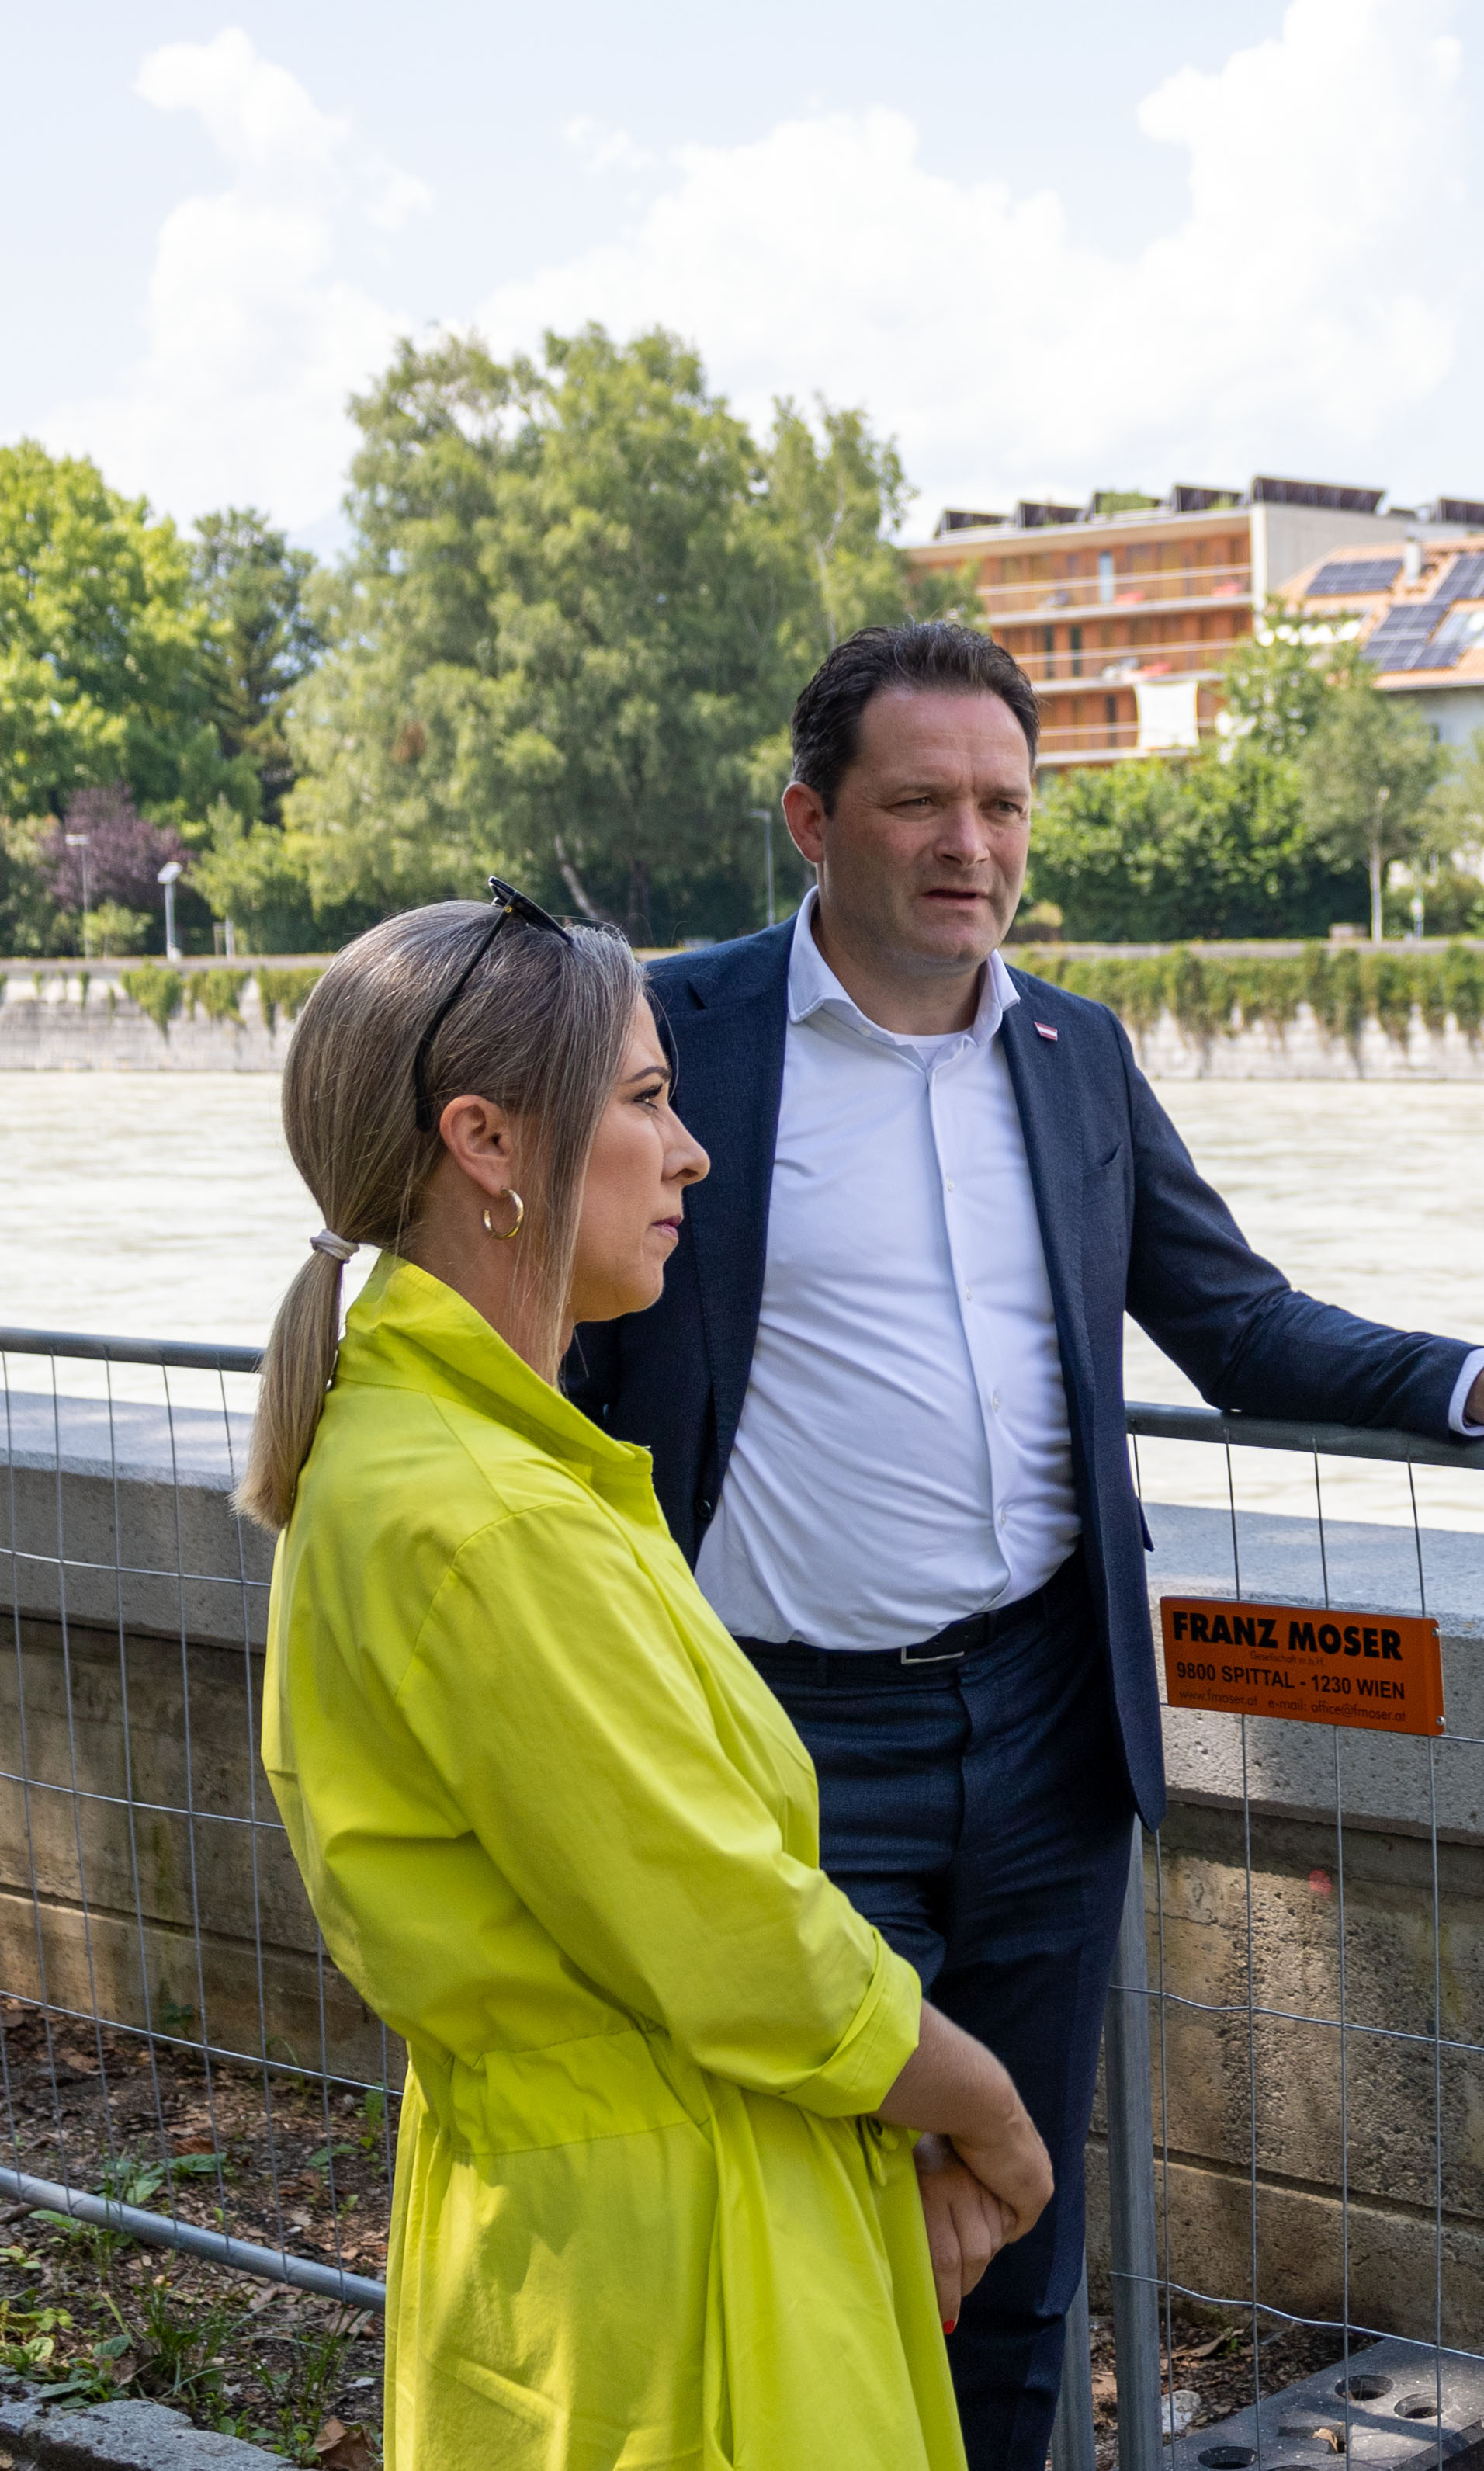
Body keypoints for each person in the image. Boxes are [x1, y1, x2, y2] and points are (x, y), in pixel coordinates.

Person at [564, 622, 1484, 2467]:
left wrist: (1473, 1382)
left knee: (1021, 2235)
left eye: (1002, 803)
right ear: (813, 818)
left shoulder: (1073, 1051)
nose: (968, 843)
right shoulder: (677, 1041)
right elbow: (545, 1319)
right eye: (919, 801)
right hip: (781, 1745)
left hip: (1050, 1737)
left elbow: (1237, 1319)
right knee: (817, 2230)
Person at [244, 886, 1056, 2468]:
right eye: (642, 1099)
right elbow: (730, 1931)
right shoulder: (489, 1516)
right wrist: (988, 2109)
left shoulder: (424, 1456)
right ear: (488, 1142)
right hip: (683, 2257)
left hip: (579, 2227)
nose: (689, 1153)